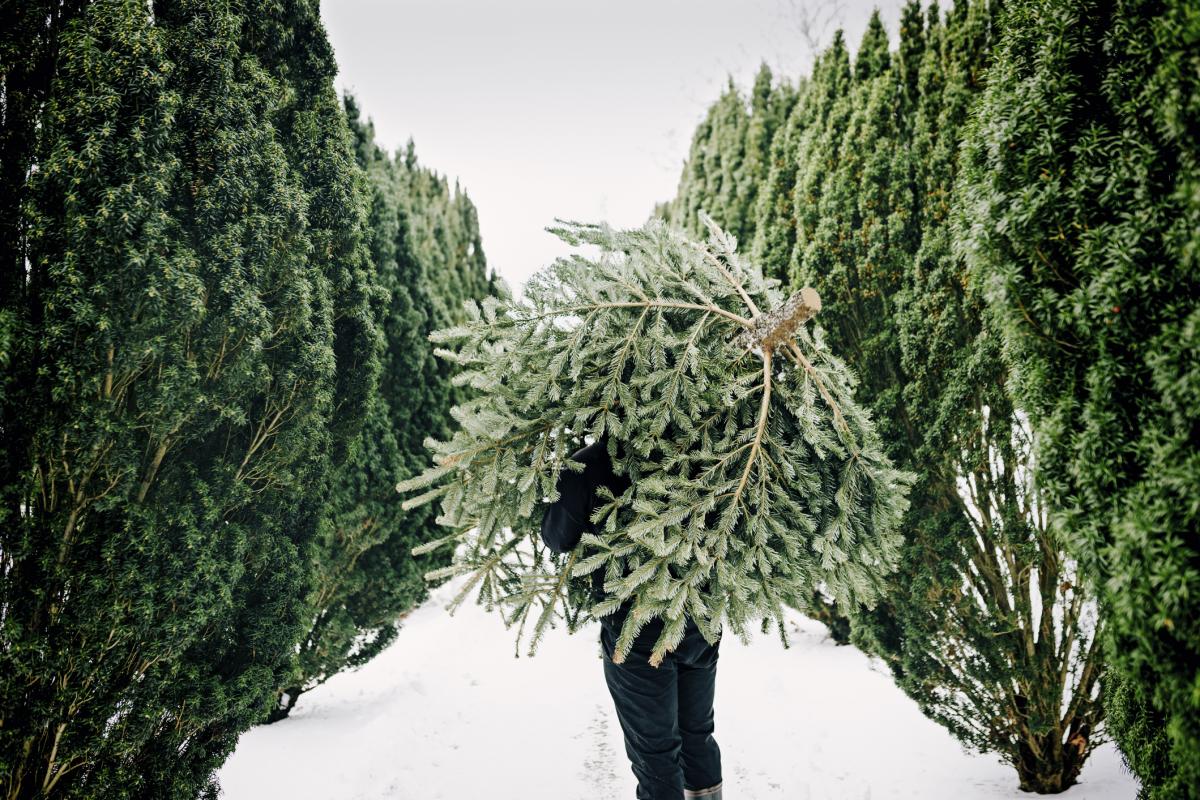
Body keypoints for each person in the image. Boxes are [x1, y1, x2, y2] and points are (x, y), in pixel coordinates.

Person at [541, 431, 724, 800]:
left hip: (634, 633)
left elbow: (557, 538)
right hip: (699, 618)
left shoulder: (589, 464)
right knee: (697, 735)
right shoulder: (706, 446)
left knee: (656, 754)